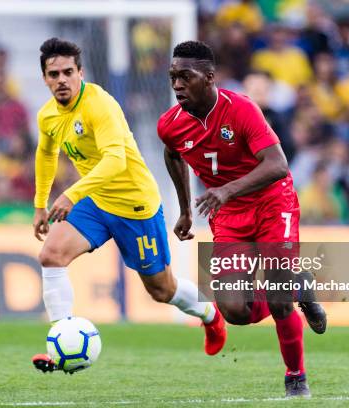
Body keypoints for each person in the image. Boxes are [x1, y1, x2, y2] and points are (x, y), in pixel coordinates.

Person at [30, 38, 226, 373]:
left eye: (67, 72)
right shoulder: (48, 115)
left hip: (135, 206)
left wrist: (71, 194)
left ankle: (210, 315)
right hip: (97, 201)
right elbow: (47, 153)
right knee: (51, 255)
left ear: (81, 72)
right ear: (45, 78)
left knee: (162, 290)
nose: (61, 79)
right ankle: (60, 339)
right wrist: (40, 203)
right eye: (53, 74)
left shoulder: (99, 105)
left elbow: (115, 161)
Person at [157, 41, 327, 398]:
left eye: (185, 77)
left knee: (278, 301)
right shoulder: (170, 125)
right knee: (234, 309)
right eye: (173, 77)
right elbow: (173, 155)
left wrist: (227, 190)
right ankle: (299, 286)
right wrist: (186, 210)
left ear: (209, 77)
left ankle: (295, 377)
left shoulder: (242, 110)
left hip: (271, 201)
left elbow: (278, 164)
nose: (177, 85)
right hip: (229, 214)